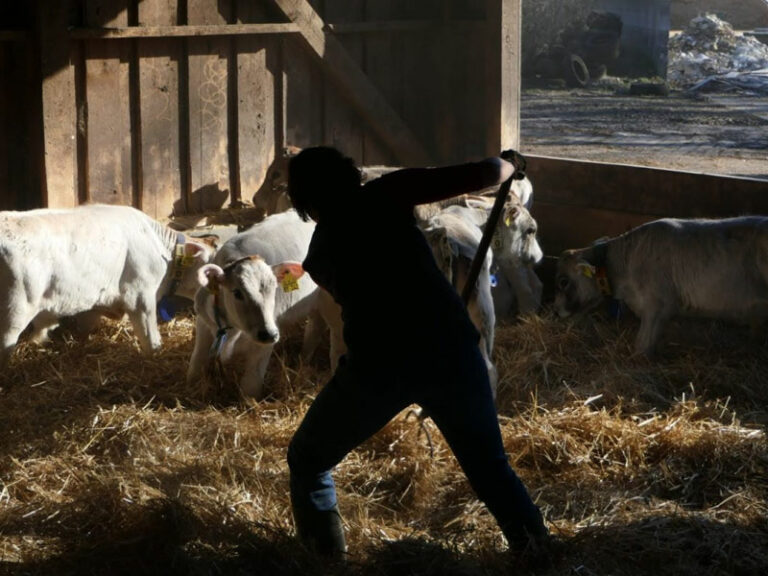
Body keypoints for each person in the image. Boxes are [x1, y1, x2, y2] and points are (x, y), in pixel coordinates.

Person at [285, 146, 549, 558]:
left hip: (378, 367)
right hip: (451, 352)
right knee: (491, 470)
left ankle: (324, 560)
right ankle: (539, 553)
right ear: (352, 175)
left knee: (308, 459)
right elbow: (479, 173)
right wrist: (511, 165)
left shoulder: (318, 257)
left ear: (306, 204)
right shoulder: (390, 192)